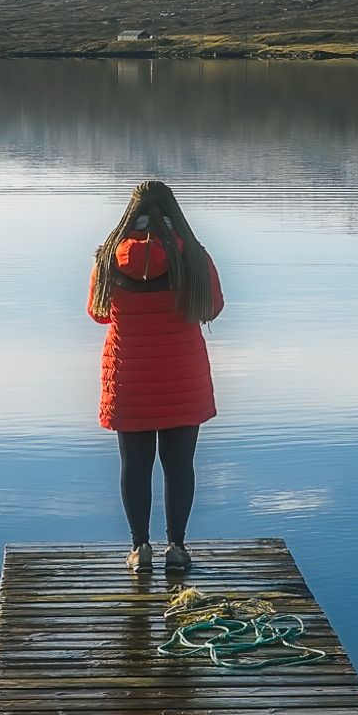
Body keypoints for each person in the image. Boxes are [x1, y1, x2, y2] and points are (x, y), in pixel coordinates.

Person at [88, 177, 224, 574]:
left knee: (135, 465)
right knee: (179, 466)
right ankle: (177, 547)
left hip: (129, 379)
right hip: (183, 379)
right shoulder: (194, 258)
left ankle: (140, 548)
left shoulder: (109, 257)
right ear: (173, 212)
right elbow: (212, 308)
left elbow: (98, 313)